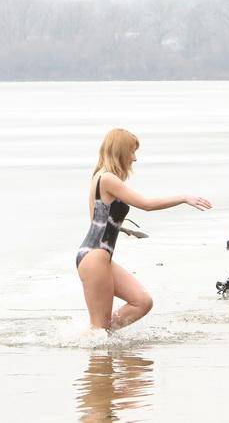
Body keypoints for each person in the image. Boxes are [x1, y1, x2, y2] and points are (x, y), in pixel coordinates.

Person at [76, 128, 212, 330]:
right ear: (120, 151)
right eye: (131, 151)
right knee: (99, 328)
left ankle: (103, 338)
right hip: (95, 257)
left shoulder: (99, 176)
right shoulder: (107, 179)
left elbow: (95, 220)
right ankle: (94, 342)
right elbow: (146, 205)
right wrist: (183, 198)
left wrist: (119, 229)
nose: (134, 158)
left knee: (141, 302)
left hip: (97, 255)